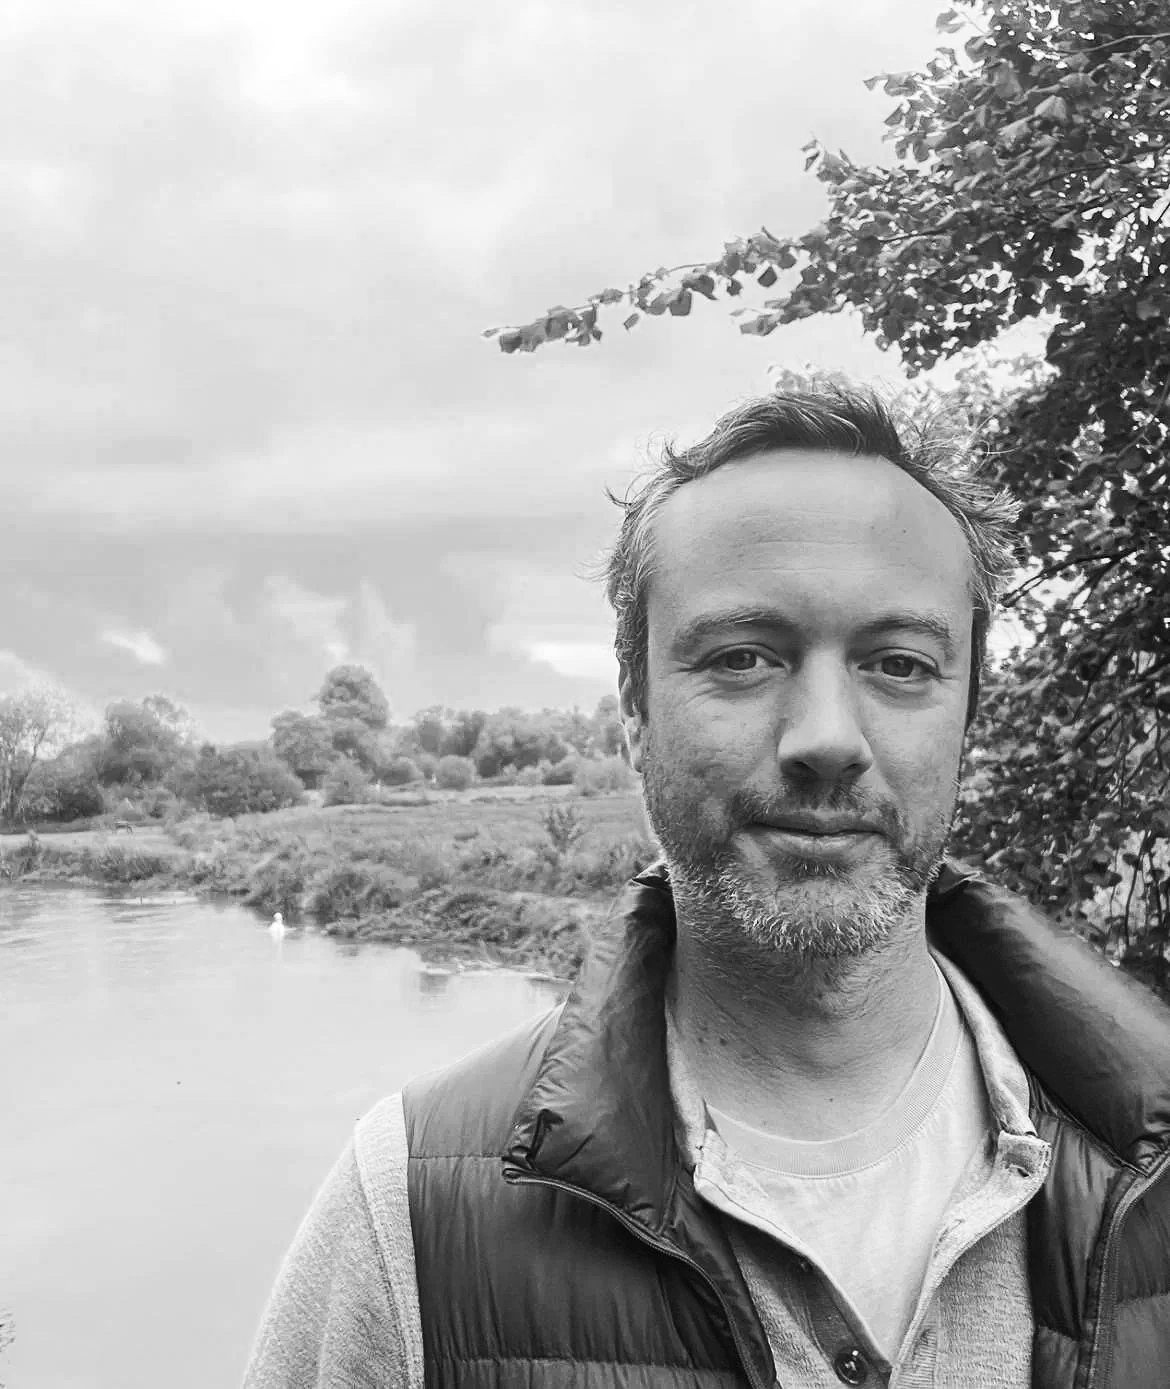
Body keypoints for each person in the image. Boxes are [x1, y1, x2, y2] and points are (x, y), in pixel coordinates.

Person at [243, 386, 1170, 1389]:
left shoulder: (1152, 1165)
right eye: (743, 658)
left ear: (970, 712)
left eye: (898, 663)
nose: (826, 739)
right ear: (634, 709)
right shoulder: (410, 1215)